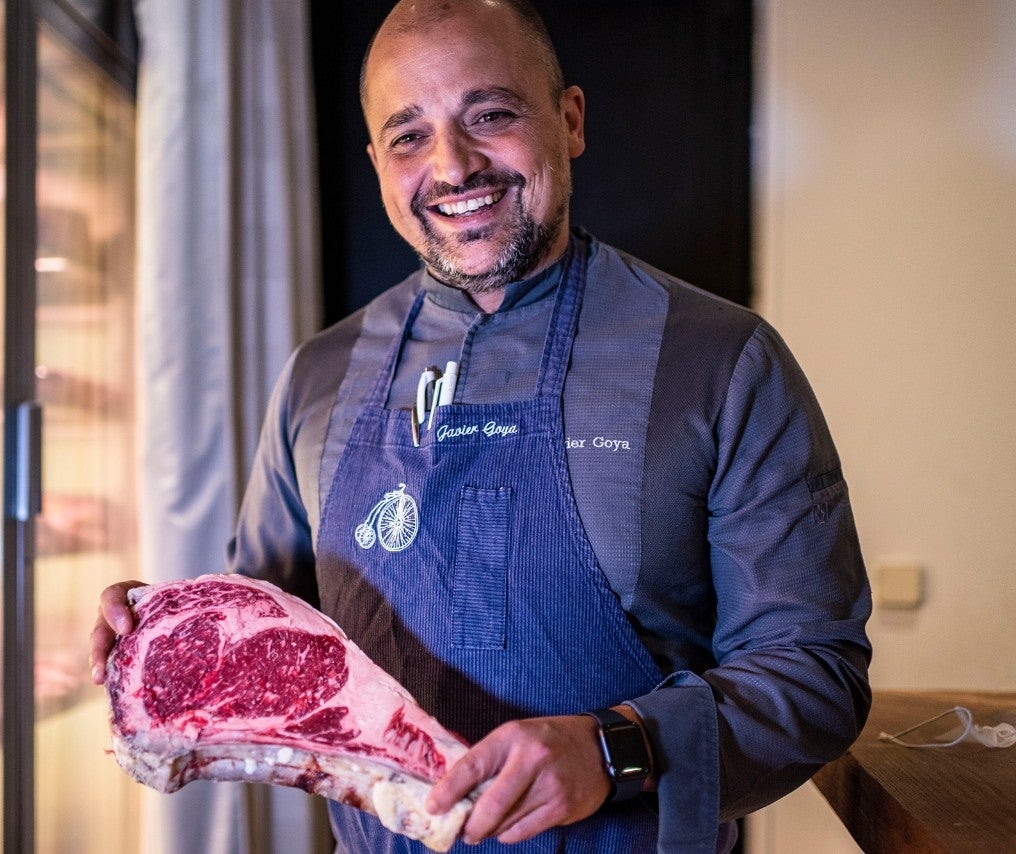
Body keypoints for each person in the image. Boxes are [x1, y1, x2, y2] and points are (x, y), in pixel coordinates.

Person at [90, 0, 873, 850]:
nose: (454, 165)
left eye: (491, 115)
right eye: (408, 135)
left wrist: (615, 749)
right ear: (378, 163)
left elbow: (816, 673)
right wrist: (165, 627)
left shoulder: (719, 361)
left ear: (569, 121)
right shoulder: (319, 375)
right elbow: (265, 634)